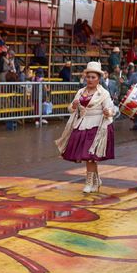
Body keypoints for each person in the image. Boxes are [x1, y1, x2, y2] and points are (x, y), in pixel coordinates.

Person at [55, 61, 115, 193]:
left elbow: (111, 109)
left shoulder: (103, 93)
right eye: (88, 77)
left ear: (98, 79)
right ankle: (96, 180)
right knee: (89, 157)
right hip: (82, 125)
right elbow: (71, 109)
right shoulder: (81, 91)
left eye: (93, 77)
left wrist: (107, 112)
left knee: (89, 156)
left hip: (97, 126)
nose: (90, 79)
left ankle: (89, 183)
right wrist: (74, 106)